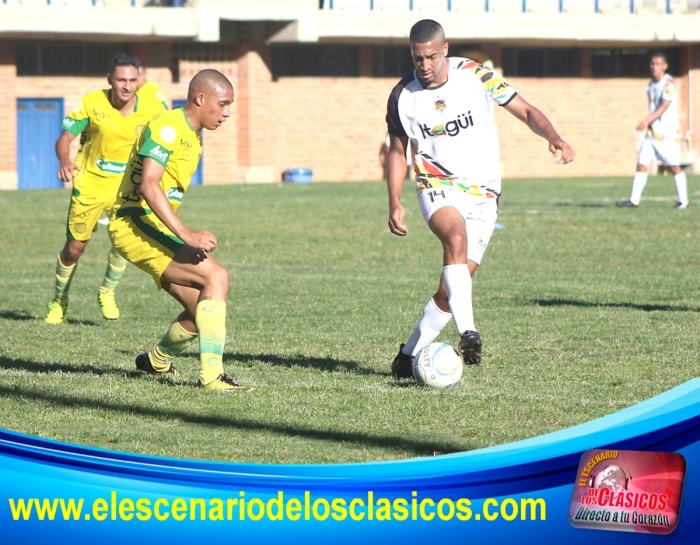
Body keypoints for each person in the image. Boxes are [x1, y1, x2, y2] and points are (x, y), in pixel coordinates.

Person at [385, 19, 575, 377]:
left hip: (485, 192)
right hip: (436, 185)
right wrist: (395, 200)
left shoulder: (476, 75)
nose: (423, 66)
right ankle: (469, 333)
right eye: (416, 58)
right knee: (454, 239)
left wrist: (553, 136)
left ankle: (407, 356)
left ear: (445, 49)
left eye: (430, 57)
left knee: (451, 288)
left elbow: (527, 111)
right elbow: (398, 151)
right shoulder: (403, 95)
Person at [108, 69, 249, 392]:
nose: (226, 113)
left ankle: (156, 360)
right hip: (135, 221)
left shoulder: (191, 133)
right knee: (218, 277)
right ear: (201, 98)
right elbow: (148, 184)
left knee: (204, 306)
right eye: (223, 103)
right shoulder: (169, 126)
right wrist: (187, 234)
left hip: (149, 223)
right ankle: (212, 377)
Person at [45, 53, 166, 325]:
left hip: (126, 189)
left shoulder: (153, 108)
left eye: (132, 80)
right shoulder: (91, 102)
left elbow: (163, 144)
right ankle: (59, 299)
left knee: (124, 243)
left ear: (139, 80)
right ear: (109, 79)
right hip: (90, 186)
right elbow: (64, 139)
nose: (127, 86)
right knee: (74, 249)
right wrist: (65, 160)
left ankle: (107, 292)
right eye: (121, 79)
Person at [616, 52, 688, 209]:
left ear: (665, 66)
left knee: (674, 166)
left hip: (666, 134)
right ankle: (633, 201)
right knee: (642, 164)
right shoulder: (650, 85)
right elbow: (653, 107)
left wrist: (647, 120)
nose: (654, 67)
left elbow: (664, 105)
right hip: (652, 134)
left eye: (657, 64)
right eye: (652, 64)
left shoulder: (669, 83)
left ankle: (683, 201)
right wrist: (650, 124)